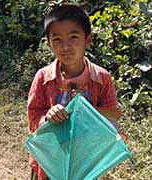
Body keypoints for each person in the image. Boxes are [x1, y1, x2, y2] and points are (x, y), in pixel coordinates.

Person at [27, 4, 121, 180]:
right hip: (48, 161)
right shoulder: (42, 78)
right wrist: (48, 117)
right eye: (57, 39)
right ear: (48, 43)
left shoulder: (102, 78)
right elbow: (33, 121)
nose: (65, 46)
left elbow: (111, 118)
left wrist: (87, 114)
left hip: (85, 161)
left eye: (74, 37)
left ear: (88, 40)